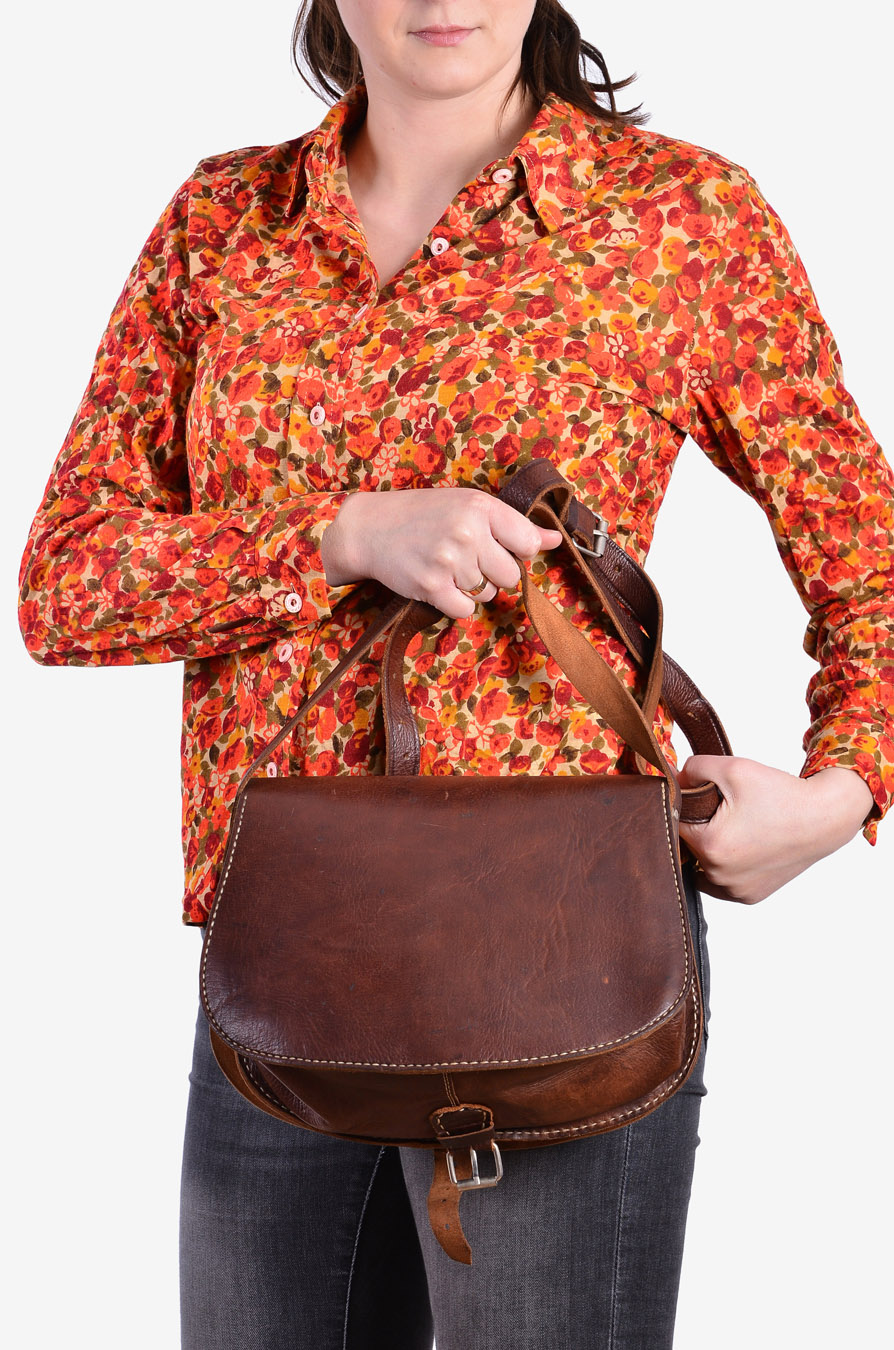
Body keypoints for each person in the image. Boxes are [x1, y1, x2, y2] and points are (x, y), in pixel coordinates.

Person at [16, 1, 892, 1346]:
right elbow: (66, 584)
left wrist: (842, 791)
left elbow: (867, 550)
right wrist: (340, 536)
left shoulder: (678, 219)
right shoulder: (222, 223)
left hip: (564, 956)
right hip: (286, 956)